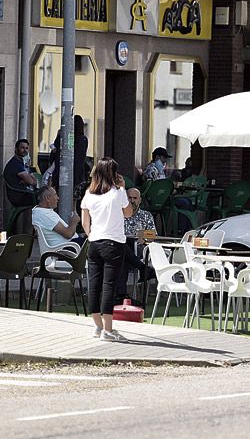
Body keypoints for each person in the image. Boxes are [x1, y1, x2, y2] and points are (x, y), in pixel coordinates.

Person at [81, 157, 135, 342]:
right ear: (113, 174)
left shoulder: (89, 193)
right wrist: (123, 188)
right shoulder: (117, 192)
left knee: (94, 285)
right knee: (109, 286)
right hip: (113, 243)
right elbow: (128, 213)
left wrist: (90, 235)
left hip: (94, 242)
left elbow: (84, 222)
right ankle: (108, 330)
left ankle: (98, 326)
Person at [117, 187, 155, 304]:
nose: (132, 200)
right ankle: (143, 268)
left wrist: (143, 237)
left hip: (139, 248)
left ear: (140, 200)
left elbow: (153, 235)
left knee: (123, 253)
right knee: (122, 251)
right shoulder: (117, 214)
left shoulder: (146, 215)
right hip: (120, 248)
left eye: (135, 198)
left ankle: (120, 295)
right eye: (129, 198)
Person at [49, 116, 89, 203]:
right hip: (72, 177)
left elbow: (54, 154)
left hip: (62, 175)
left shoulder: (74, 139)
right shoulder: (81, 140)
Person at [3, 138, 38, 209]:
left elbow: (34, 181)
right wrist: (29, 181)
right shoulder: (15, 164)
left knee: (49, 195)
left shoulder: (23, 164)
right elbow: (32, 182)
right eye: (22, 148)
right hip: (19, 197)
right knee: (47, 197)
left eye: (27, 148)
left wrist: (27, 179)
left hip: (25, 194)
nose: (25, 150)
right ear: (16, 149)